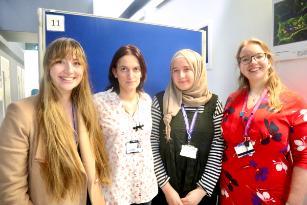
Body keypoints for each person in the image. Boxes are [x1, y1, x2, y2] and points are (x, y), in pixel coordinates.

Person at [0, 37, 110, 205]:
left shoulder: (87, 110)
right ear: (48, 67)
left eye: (76, 63)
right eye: (60, 61)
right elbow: (11, 190)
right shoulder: (21, 112)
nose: (69, 70)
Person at [220, 38, 307, 205]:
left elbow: (303, 156)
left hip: (270, 194)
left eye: (258, 56)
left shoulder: (294, 102)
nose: (252, 62)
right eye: (245, 59)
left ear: (269, 59)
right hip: (231, 191)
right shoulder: (232, 100)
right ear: (240, 65)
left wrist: (294, 202)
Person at [151, 49, 224, 205]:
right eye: (175, 71)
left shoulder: (215, 104)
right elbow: (151, 147)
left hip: (202, 194)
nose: (181, 76)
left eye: (186, 69)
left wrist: (201, 191)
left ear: (197, 70)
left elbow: (218, 149)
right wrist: (166, 188)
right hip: (166, 192)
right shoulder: (160, 101)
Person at [94, 45, 158, 204]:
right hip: (115, 191)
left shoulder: (146, 101)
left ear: (142, 72)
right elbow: (90, 148)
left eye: (136, 69)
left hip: (144, 188)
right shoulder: (98, 102)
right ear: (115, 72)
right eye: (124, 69)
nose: (130, 75)